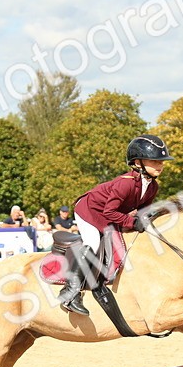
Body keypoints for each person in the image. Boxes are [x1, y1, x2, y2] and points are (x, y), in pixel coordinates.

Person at [57, 134, 171, 316]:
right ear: (138, 162)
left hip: (108, 213)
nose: (161, 165)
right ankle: (70, 293)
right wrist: (132, 222)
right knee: (93, 243)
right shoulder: (124, 184)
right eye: (155, 161)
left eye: (162, 161)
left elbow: (141, 212)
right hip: (89, 210)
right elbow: (109, 212)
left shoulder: (152, 186)